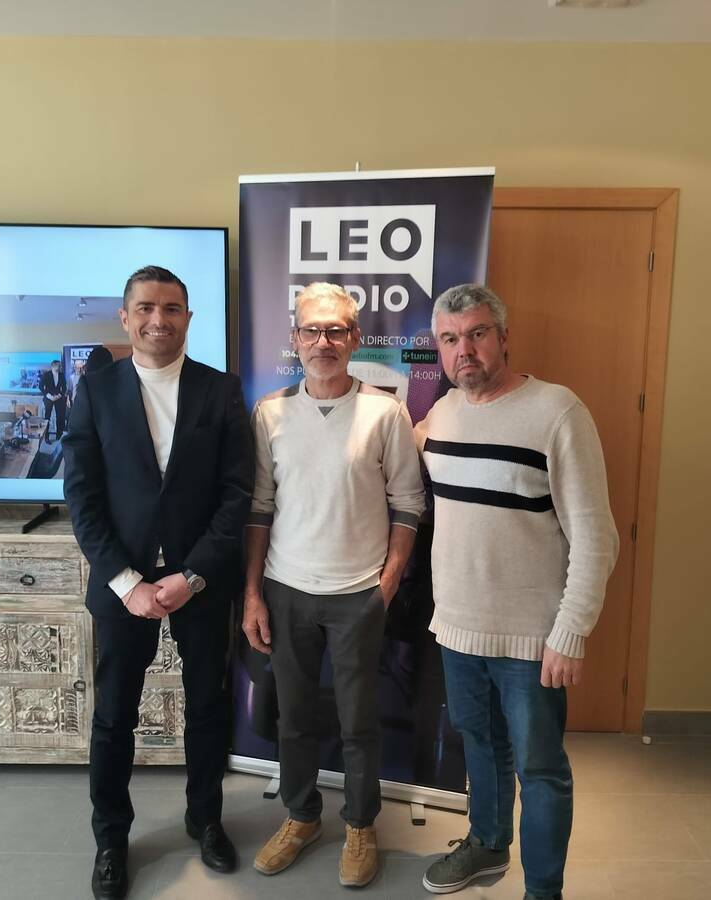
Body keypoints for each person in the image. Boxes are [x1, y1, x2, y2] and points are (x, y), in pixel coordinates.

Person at [415, 284, 619, 900]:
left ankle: (543, 891)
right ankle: (486, 843)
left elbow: (597, 536)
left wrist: (570, 632)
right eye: (450, 339)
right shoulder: (443, 413)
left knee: (541, 769)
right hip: (457, 627)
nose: (464, 350)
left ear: (504, 337)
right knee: (481, 746)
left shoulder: (557, 412)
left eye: (477, 334)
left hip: (533, 640)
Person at [63, 265, 253, 899]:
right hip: (123, 585)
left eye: (171, 308)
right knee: (114, 717)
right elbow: (83, 497)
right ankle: (111, 838)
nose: (158, 320)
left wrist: (192, 576)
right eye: (145, 307)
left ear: (187, 318)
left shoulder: (221, 390)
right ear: (125, 317)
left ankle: (206, 819)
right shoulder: (96, 391)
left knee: (207, 708)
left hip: (202, 582)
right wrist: (127, 582)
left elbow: (236, 494)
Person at [241, 282, 425, 889]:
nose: (323, 342)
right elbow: (259, 508)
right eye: (312, 331)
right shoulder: (270, 412)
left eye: (336, 331)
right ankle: (300, 817)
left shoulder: (384, 413)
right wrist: (252, 594)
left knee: (358, 723)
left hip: (358, 595)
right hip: (286, 589)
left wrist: (386, 586)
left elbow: (408, 503)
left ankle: (361, 825)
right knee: (293, 717)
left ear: (354, 339)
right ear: (294, 339)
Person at [40, 359, 67, 441]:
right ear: (53, 366)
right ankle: (46, 437)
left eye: (59, 366)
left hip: (58, 398)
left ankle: (59, 436)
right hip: (48, 398)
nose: (59, 367)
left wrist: (59, 395)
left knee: (60, 416)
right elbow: (41, 386)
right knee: (47, 417)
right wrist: (48, 396)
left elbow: (64, 387)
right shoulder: (46, 375)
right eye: (58, 366)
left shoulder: (61, 375)